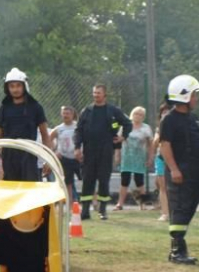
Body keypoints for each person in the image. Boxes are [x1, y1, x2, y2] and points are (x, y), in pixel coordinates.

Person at [160, 75, 199, 264]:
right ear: (184, 95)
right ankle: (177, 251)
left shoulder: (192, 118)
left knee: (188, 206)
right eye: (194, 94)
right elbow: (165, 145)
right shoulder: (169, 119)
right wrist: (174, 169)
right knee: (179, 207)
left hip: (195, 171)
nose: (196, 98)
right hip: (180, 171)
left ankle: (181, 247)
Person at [74, 84, 133, 220]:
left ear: (104, 95)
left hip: (106, 150)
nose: (96, 95)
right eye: (94, 93)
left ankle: (103, 210)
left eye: (98, 93)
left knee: (103, 179)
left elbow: (127, 123)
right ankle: (85, 211)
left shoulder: (113, 110)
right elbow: (78, 130)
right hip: (89, 150)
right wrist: (77, 147)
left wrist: (123, 136)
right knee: (88, 179)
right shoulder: (87, 111)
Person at [0, 67, 49, 182]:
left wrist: (48, 159)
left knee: (29, 188)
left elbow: (45, 134)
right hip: (9, 154)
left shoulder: (35, 107)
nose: (15, 89)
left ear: (24, 86)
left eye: (18, 85)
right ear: (7, 88)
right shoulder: (4, 108)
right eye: (12, 86)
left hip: (28, 153)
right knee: (10, 188)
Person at [114, 106, 154, 211]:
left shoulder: (146, 128)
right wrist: (117, 155)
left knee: (139, 181)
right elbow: (118, 141)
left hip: (139, 159)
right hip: (126, 158)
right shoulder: (125, 126)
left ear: (143, 117)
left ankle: (143, 204)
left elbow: (150, 145)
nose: (138, 116)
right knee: (124, 180)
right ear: (132, 114)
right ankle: (120, 204)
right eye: (136, 113)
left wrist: (150, 158)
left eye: (141, 114)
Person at [50, 106, 79, 202]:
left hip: (78, 157)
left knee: (88, 179)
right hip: (65, 158)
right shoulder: (59, 129)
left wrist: (83, 151)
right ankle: (70, 205)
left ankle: (94, 203)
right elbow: (48, 140)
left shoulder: (78, 127)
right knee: (68, 183)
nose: (66, 115)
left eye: (68, 113)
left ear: (72, 115)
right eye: (64, 113)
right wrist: (54, 152)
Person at [152, 103, 171, 221]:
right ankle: (165, 213)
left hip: (174, 160)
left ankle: (175, 210)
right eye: (163, 112)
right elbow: (154, 143)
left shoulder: (178, 126)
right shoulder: (159, 128)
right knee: (163, 187)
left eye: (167, 111)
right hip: (161, 159)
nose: (165, 114)